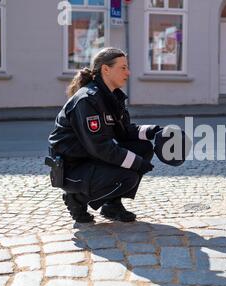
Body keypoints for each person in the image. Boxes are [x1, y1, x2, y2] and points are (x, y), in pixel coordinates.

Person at [47, 47, 161, 223]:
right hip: (72, 167)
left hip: (91, 158)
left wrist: (156, 131)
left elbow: (125, 132)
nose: (128, 72)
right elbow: (101, 147)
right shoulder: (87, 100)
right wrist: (137, 163)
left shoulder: (112, 97)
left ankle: (112, 206)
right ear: (106, 69)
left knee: (143, 148)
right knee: (128, 176)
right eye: (123, 68)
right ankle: (76, 199)